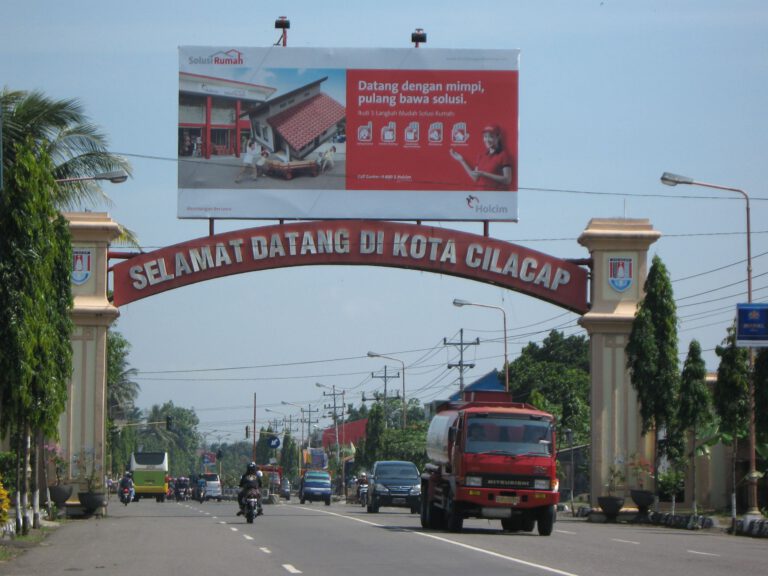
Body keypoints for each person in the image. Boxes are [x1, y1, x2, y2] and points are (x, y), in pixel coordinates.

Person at [449, 125, 513, 191]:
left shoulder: (503, 155)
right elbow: (475, 178)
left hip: (494, 195)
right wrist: (461, 160)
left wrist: (484, 174)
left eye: (491, 137)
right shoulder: (481, 156)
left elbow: (507, 180)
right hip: (480, 194)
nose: (487, 140)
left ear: (498, 137)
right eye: (485, 137)